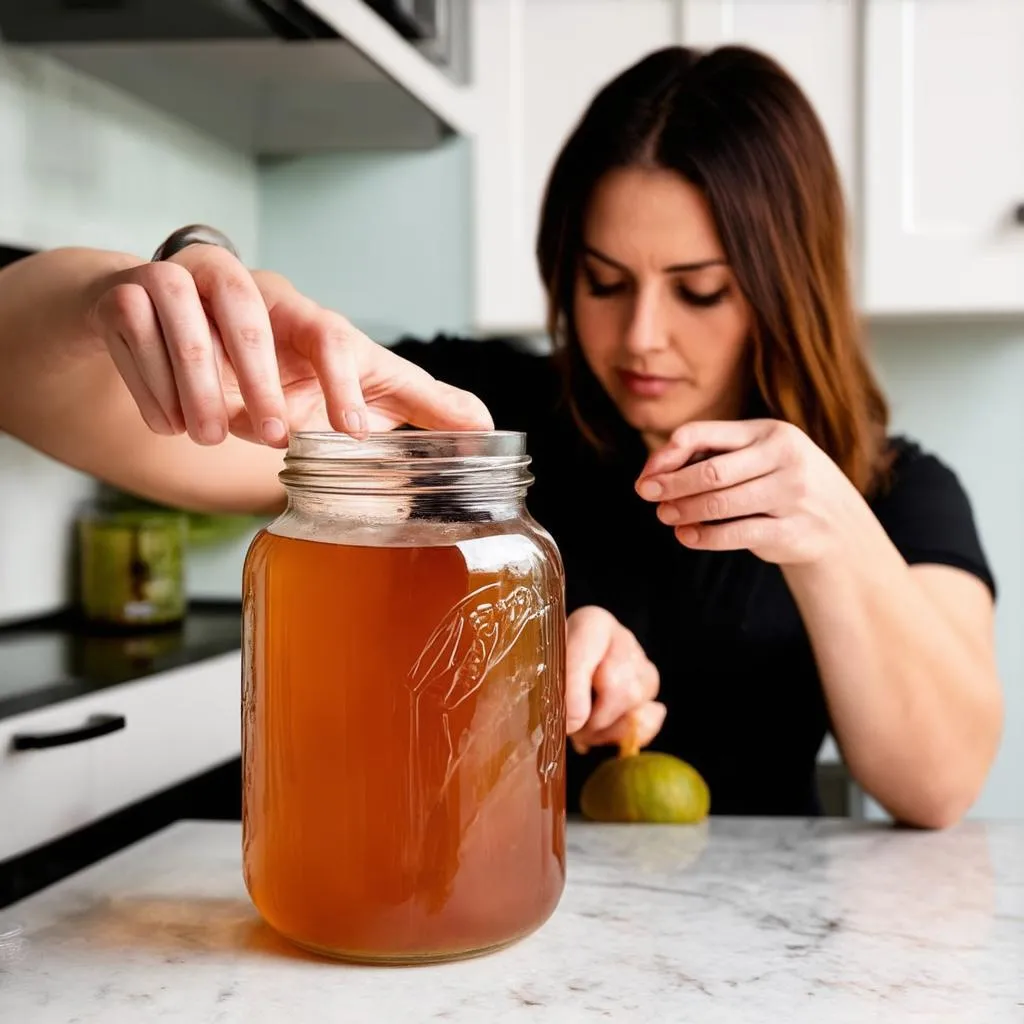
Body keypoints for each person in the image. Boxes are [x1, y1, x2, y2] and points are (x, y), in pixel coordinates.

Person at [0, 46, 1002, 828]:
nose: (640, 336)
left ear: (786, 287)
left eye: (700, 291)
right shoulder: (467, 420)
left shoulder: (895, 492)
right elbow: (57, 396)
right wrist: (111, 302)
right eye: (602, 282)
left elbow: (940, 784)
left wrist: (831, 530)